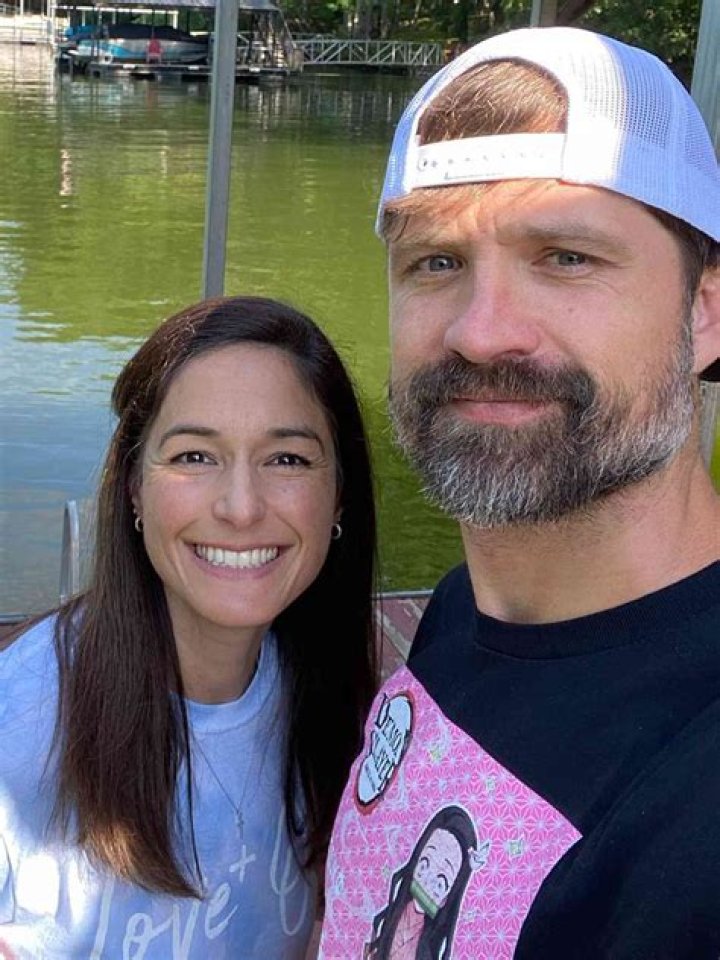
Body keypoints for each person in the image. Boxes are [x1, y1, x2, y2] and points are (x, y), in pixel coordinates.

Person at [319, 26, 720, 960]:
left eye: (566, 256)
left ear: (705, 311)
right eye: (436, 262)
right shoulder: (469, 608)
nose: (482, 332)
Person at [0, 295, 377, 958]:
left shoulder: (337, 697)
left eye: (287, 459)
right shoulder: (20, 730)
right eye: (195, 456)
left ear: (339, 495)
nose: (241, 507)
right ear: (134, 490)